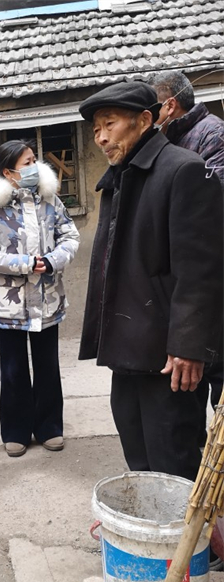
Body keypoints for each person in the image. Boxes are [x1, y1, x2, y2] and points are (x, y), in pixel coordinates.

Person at [78, 81, 223, 482]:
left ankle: (190, 543)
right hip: (127, 347)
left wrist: (188, 347)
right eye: (95, 130)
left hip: (168, 355)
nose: (102, 137)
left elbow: (201, 270)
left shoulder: (182, 170)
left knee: (173, 459)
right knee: (137, 451)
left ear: (145, 120)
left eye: (109, 124)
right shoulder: (120, 178)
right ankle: (152, 538)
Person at [0, 140, 79, 457]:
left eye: (34, 159)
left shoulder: (50, 199)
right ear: (8, 172)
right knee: (14, 370)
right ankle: (16, 430)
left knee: (47, 366)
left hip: (47, 301)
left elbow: (70, 236)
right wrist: (25, 264)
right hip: (10, 306)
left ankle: (49, 427)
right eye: (26, 162)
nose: (34, 166)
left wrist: (55, 258)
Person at [150, 70, 224, 433]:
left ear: (169, 105)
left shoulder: (212, 135)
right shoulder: (174, 138)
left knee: (215, 374)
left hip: (210, 278)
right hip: (183, 277)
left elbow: (207, 214)